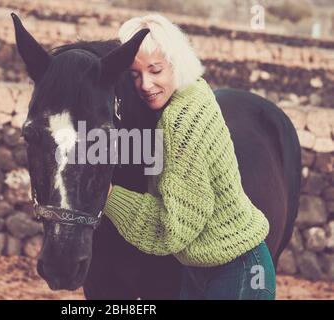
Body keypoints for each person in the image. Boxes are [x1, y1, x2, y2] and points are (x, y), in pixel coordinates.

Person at [104, 14, 276, 300]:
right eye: (134, 74)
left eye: (155, 70)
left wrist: (108, 196)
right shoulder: (194, 91)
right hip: (204, 269)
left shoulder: (180, 119)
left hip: (239, 270)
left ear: (175, 63)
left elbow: (173, 229)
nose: (145, 84)